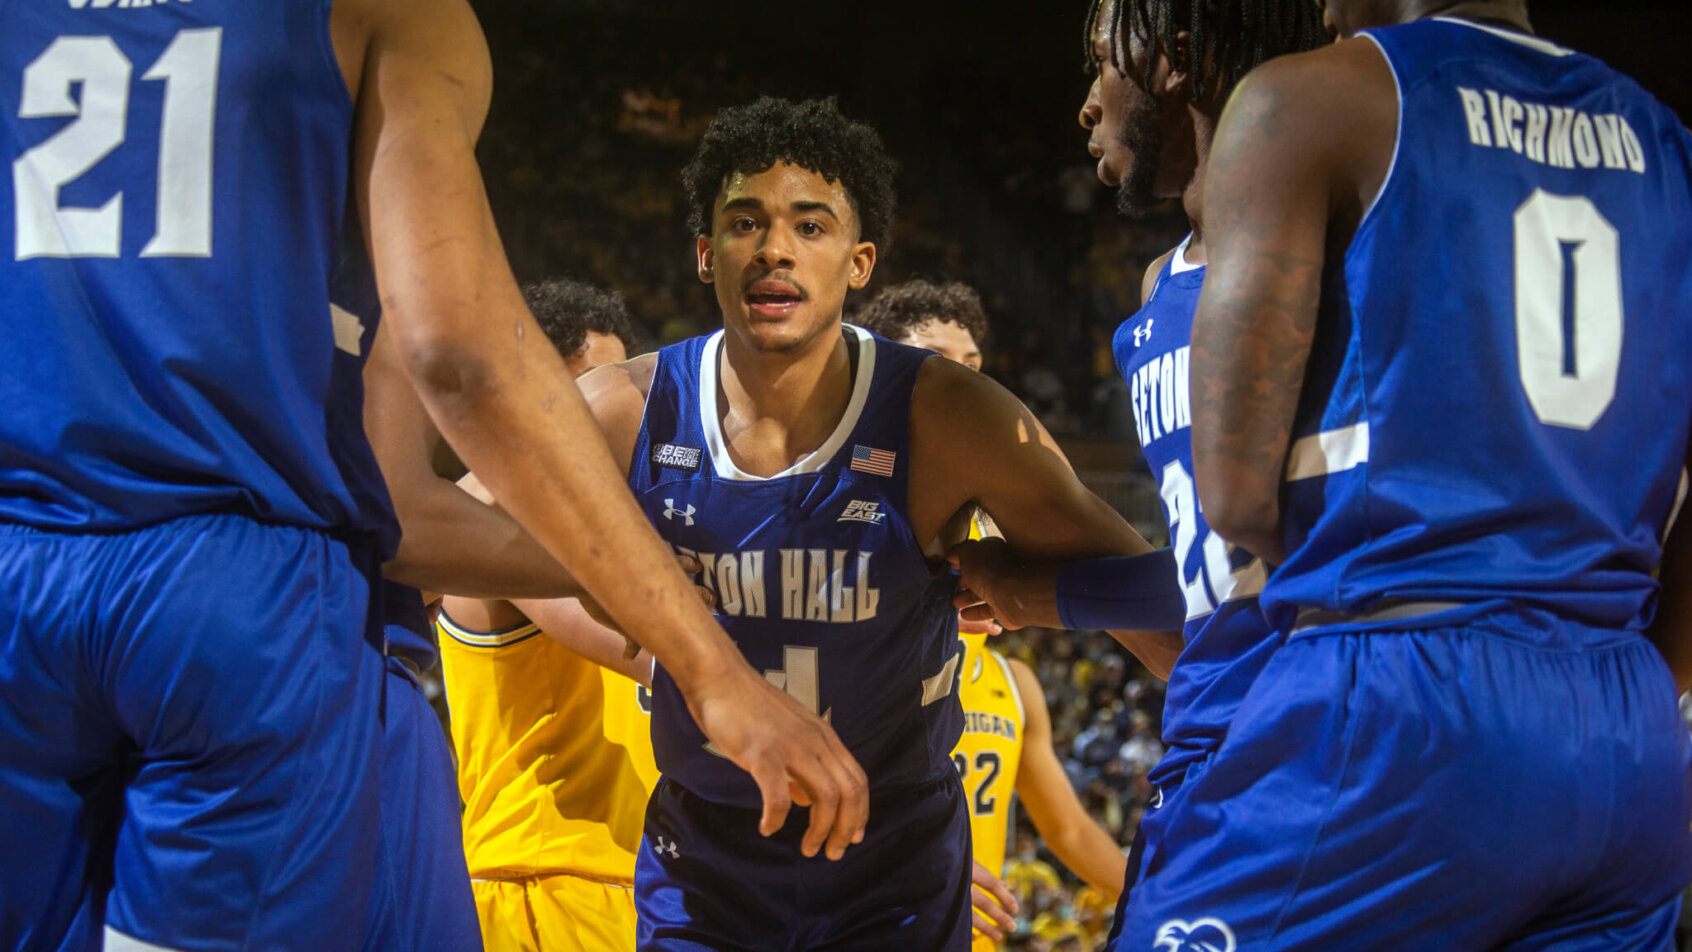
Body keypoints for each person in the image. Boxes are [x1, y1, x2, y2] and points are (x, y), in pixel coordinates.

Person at [0, 2, 865, 949]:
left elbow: (403, 509)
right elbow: (462, 355)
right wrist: (708, 656)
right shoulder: (393, 15)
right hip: (239, 587)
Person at [560, 95, 1180, 951]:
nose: (775, 247)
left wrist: (1250, 750)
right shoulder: (623, 409)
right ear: (706, 254)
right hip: (704, 855)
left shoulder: (950, 416)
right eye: (746, 222)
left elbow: (1159, 612)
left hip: (895, 864)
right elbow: (460, 534)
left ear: (860, 264)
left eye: (810, 226)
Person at [1132, 0, 1692, 947]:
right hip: (1627, 729)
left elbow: (1231, 493)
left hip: (1405, 690)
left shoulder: (1306, 100)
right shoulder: (1666, 139)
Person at [950, 2, 1325, 941]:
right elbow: (1206, 571)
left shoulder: (1325, 239)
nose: (1085, 104)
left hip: (1311, 740)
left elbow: (1272, 558)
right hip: (1214, 739)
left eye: (1097, 64)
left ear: (1173, 60)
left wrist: (1040, 592)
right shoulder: (1159, 292)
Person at [857, 280, 1131, 950]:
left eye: (973, 366)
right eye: (933, 359)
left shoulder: (1015, 686)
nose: (959, 383)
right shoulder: (839, 517)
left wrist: (1170, 897)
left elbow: (1069, 833)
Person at [435, 279, 661, 952]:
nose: (609, 407)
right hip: (542, 883)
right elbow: (659, 652)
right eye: (588, 384)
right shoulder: (498, 511)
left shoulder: (607, 524)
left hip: (636, 880)